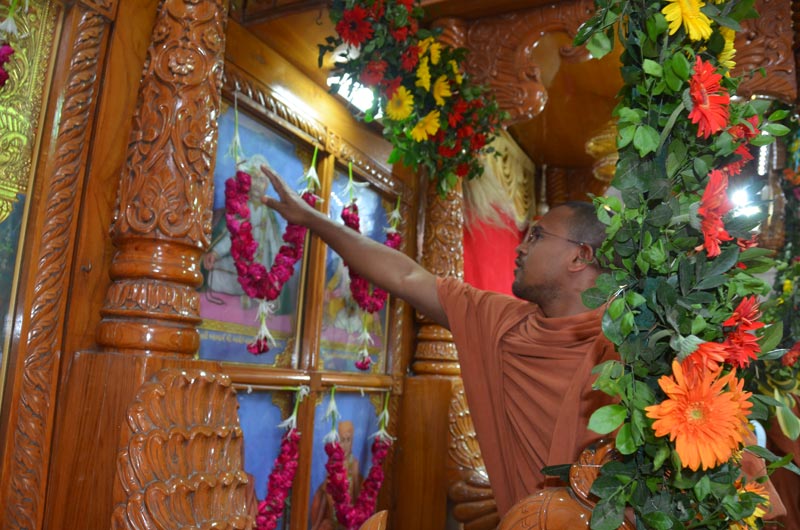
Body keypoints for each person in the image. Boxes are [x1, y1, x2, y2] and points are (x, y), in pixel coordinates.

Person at [258, 166, 786, 519]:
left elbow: (722, 479)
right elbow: (407, 276)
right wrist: (315, 220)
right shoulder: (502, 322)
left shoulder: (641, 347)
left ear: (580, 257)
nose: (520, 246)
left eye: (536, 236)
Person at [310, 421, 362, 530]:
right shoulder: (333, 464)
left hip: (349, 516)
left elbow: (357, 493)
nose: (345, 445)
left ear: (352, 442)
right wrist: (317, 524)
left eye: (348, 440)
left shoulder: (354, 464)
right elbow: (325, 496)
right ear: (337, 442)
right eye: (342, 440)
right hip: (333, 515)